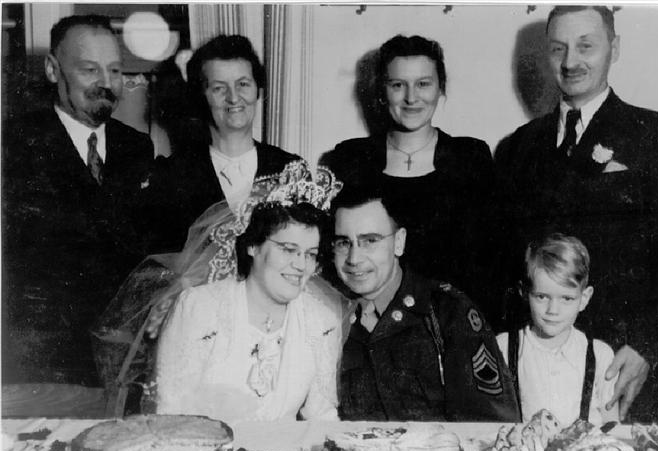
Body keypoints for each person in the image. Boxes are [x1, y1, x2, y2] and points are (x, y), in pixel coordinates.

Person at [497, 6, 658, 423]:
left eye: (586, 46)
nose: (571, 62)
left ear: (614, 48)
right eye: (558, 49)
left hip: (623, 367)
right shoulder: (518, 147)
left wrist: (645, 348)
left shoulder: (657, 134)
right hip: (535, 369)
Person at [1, 14, 155, 386]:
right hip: (43, 366)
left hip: (121, 362)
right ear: (53, 70)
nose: (106, 83)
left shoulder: (137, 149)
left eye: (115, 70)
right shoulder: (14, 145)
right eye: (89, 69)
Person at [321, 35, 499, 317]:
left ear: (440, 88)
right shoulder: (351, 158)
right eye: (398, 85)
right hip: (371, 322)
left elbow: (489, 261)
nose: (411, 97)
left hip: (449, 323)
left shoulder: (470, 157)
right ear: (382, 92)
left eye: (423, 84)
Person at [155, 161, 343, 423]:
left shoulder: (322, 322)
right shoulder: (199, 308)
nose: (301, 265)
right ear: (253, 246)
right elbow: (170, 412)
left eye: (310, 255)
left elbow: (322, 416)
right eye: (288, 249)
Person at [331, 185, 520, 422]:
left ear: (399, 242)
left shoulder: (447, 313)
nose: (354, 259)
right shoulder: (326, 319)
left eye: (370, 240)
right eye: (343, 243)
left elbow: (492, 426)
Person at [151, 34, 299, 253]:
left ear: (257, 90)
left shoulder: (291, 169)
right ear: (201, 96)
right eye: (219, 88)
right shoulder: (172, 175)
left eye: (243, 84)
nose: (233, 98)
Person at [496, 234, 619, 427]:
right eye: (542, 296)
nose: (553, 310)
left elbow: (612, 424)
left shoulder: (600, 355)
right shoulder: (503, 347)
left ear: (584, 298)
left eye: (566, 299)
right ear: (524, 293)